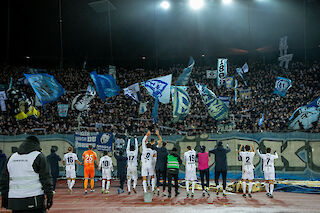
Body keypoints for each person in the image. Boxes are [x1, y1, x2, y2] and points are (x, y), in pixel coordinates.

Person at [0, 136, 53, 213]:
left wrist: (4, 198)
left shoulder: (11, 158)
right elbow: (46, 178)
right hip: (34, 199)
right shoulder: (38, 156)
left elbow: (4, 180)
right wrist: (49, 196)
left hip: (15, 200)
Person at [152, 130, 168, 197]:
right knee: (164, 179)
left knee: (157, 178)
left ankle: (158, 189)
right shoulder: (166, 152)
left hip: (157, 166)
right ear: (166, 145)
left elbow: (153, 146)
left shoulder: (158, 150)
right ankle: (163, 191)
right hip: (163, 167)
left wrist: (156, 142)